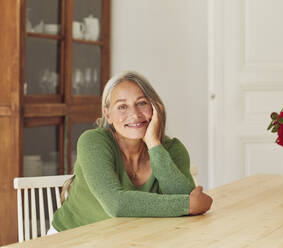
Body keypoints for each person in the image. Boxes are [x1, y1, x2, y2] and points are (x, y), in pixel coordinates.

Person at [47, 71, 213, 234]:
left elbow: (187, 200)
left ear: (156, 108)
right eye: (122, 106)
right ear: (108, 115)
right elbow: (116, 205)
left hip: (127, 238)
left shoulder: (172, 149)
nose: (134, 114)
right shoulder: (93, 141)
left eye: (141, 103)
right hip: (72, 238)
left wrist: (154, 144)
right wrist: (186, 205)